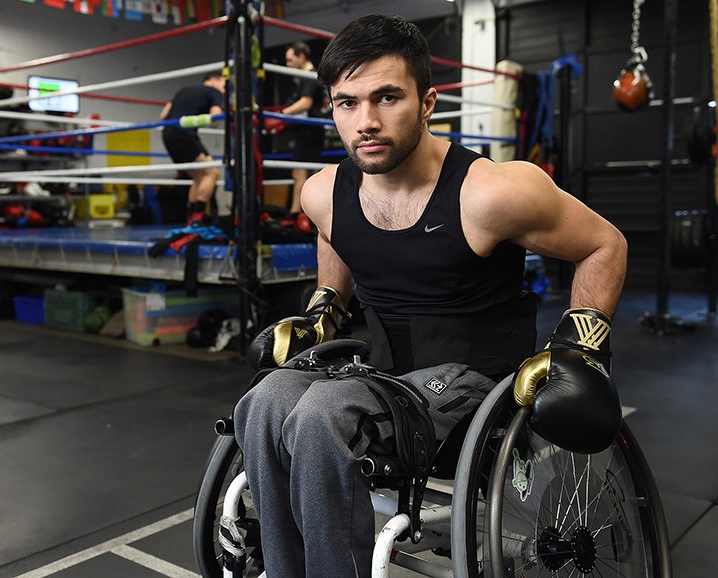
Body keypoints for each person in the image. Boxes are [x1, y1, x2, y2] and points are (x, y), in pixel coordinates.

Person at [235, 14, 627, 578]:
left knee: (322, 413)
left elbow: (603, 244)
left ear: (427, 102)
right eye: (347, 103)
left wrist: (580, 348)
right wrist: (325, 308)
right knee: (266, 399)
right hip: (384, 374)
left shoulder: (491, 192)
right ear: (331, 107)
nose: (365, 122)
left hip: (474, 379)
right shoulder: (323, 193)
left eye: (387, 97)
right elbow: (336, 236)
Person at [159, 71, 225, 225]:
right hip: (184, 134)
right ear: (214, 80)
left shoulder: (183, 90)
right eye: (223, 83)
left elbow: (163, 116)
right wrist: (223, 113)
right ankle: (198, 217)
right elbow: (215, 120)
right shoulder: (214, 91)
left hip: (168, 134)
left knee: (199, 177)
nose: (225, 88)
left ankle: (191, 220)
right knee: (212, 174)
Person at [279, 41, 326, 224]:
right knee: (306, 174)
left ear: (301, 57)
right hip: (307, 131)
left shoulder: (309, 76)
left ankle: (295, 213)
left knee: (301, 174)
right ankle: (302, 214)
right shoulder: (302, 77)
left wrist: (281, 115)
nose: (287, 65)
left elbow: (305, 103)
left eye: (290, 60)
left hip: (309, 131)